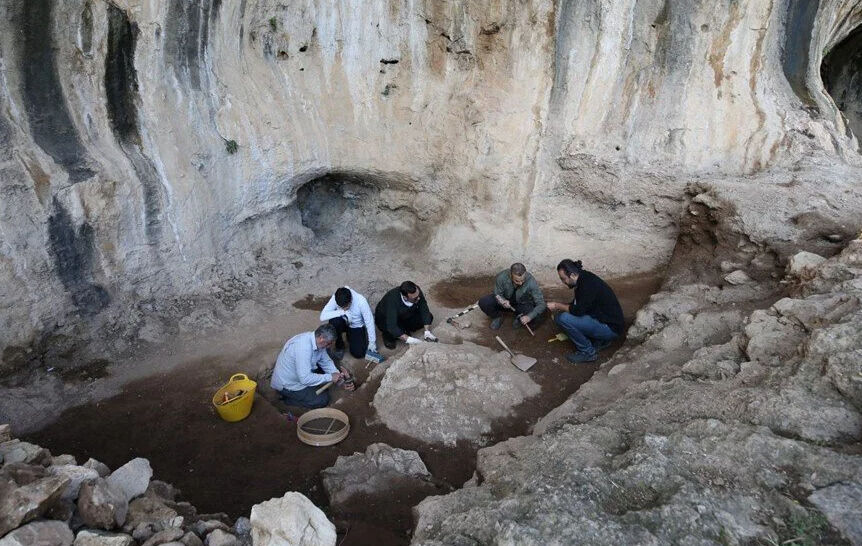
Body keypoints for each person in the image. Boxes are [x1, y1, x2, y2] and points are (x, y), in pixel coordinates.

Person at [547, 259, 624, 364]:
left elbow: (577, 311)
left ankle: (588, 352)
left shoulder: (587, 286)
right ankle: (601, 340)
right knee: (564, 314)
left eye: (564, 279)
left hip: (611, 329)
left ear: (573, 275)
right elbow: (578, 303)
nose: (563, 282)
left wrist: (557, 305)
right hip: (609, 322)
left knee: (563, 319)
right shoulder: (584, 277)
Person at [270, 324, 354, 409]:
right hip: (288, 384)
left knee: (321, 372)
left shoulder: (316, 341)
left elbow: (326, 361)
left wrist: (339, 378)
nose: (330, 346)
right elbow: (305, 379)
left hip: (299, 374)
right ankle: (287, 399)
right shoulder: (303, 348)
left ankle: (303, 392)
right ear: (321, 338)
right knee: (322, 400)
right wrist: (330, 377)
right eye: (329, 343)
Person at [319, 286, 385, 363]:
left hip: (356, 326)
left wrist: (372, 342)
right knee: (334, 322)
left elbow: (369, 322)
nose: (344, 308)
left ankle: (350, 335)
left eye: (346, 307)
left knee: (359, 353)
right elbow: (322, 316)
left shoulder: (361, 301)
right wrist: (342, 312)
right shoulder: (337, 297)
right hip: (342, 322)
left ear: (351, 301)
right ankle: (340, 345)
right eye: (341, 307)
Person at [478, 263, 547, 330]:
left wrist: (529, 317)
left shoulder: (531, 281)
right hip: (505, 303)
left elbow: (541, 303)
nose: (521, 283)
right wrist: (502, 301)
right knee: (484, 302)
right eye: (517, 281)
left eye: (523, 280)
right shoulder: (502, 277)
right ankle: (497, 316)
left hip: (522, 304)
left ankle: (520, 318)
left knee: (536, 317)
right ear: (510, 275)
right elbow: (497, 294)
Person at [374, 281, 437, 349]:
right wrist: (409, 340)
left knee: (429, 317)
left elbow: (424, 308)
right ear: (405, 297)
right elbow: (392, 326)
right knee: (393, 331)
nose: (418, 298)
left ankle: (404, 330)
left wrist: (427, 331)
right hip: (387, 319)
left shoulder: (416, 291)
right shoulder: (392, 300)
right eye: (415, 298)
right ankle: (388, 336)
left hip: (406, 314)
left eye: (418, 296)